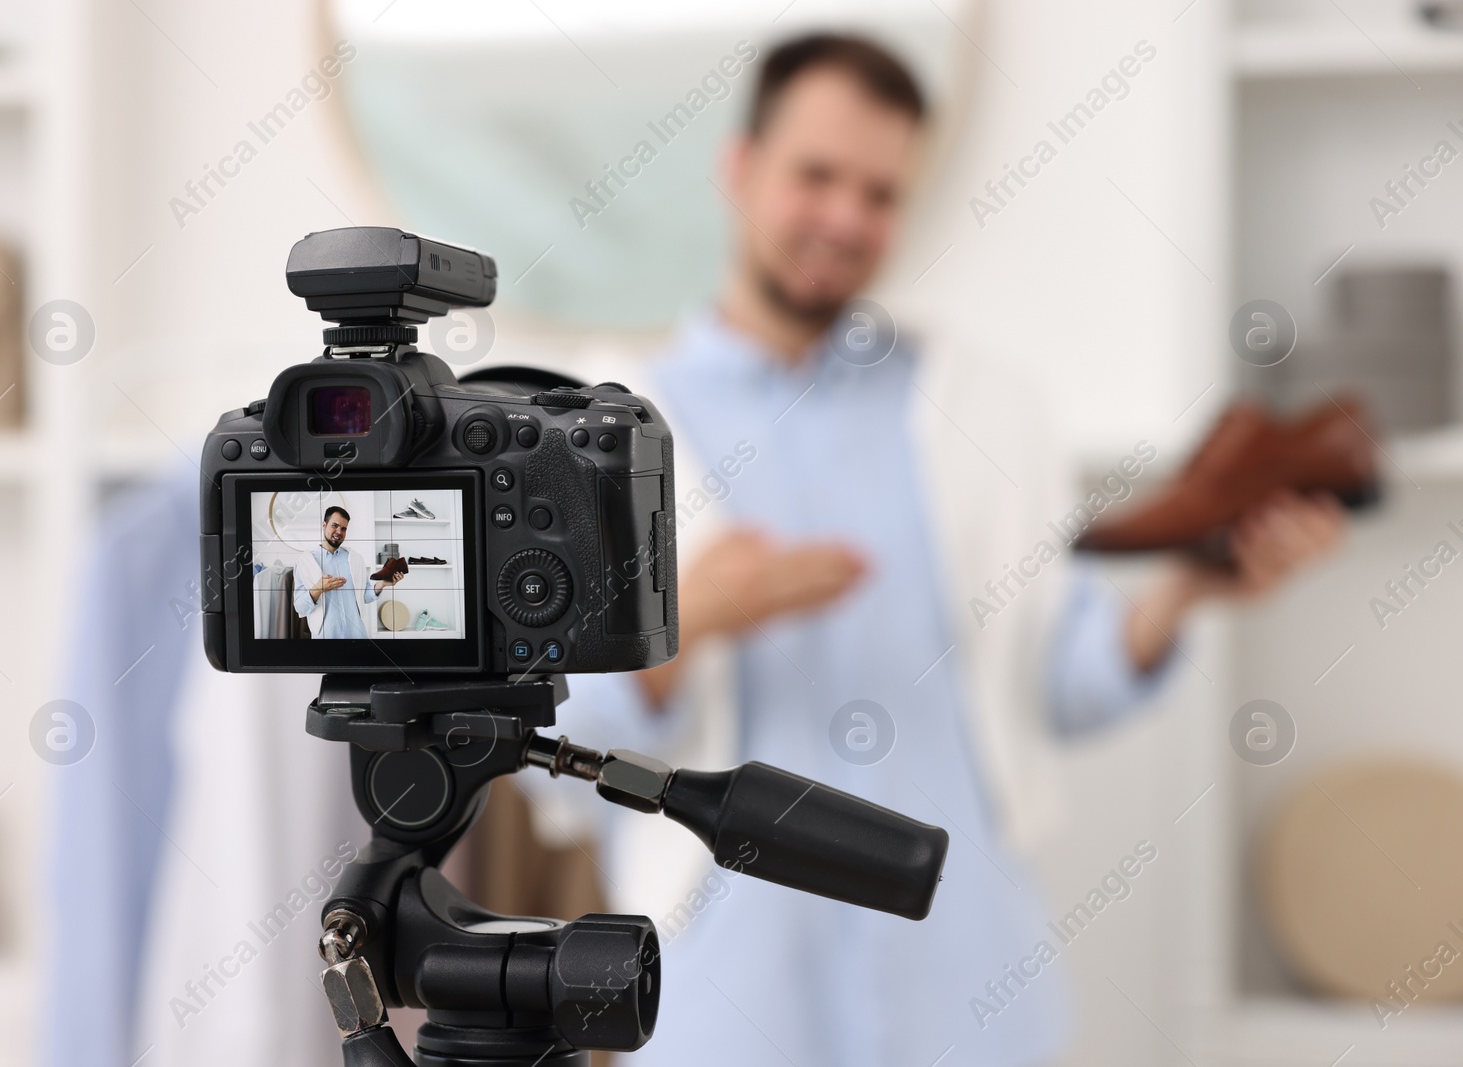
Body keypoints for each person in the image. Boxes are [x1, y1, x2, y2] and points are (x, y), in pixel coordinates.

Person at [544, 33, 1346, 1067]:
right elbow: (557, 749)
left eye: (879, 192)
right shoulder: (605, 425)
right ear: (740, 170)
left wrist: (1182, 591)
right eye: (816, 176)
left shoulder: (986, 409)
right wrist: (689, 619)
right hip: (722, 997)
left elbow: (1058, 681)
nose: (845, 217)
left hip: (967, 989)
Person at [292, 506, 400, 638]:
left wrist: (382, 583)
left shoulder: (355, 558)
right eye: (335, 525)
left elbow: (363, 596)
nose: (339, 531)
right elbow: (300, 607)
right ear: (324, 525)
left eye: (343, 528)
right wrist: (318, 589)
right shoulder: (304, 562)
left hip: (357, 635)